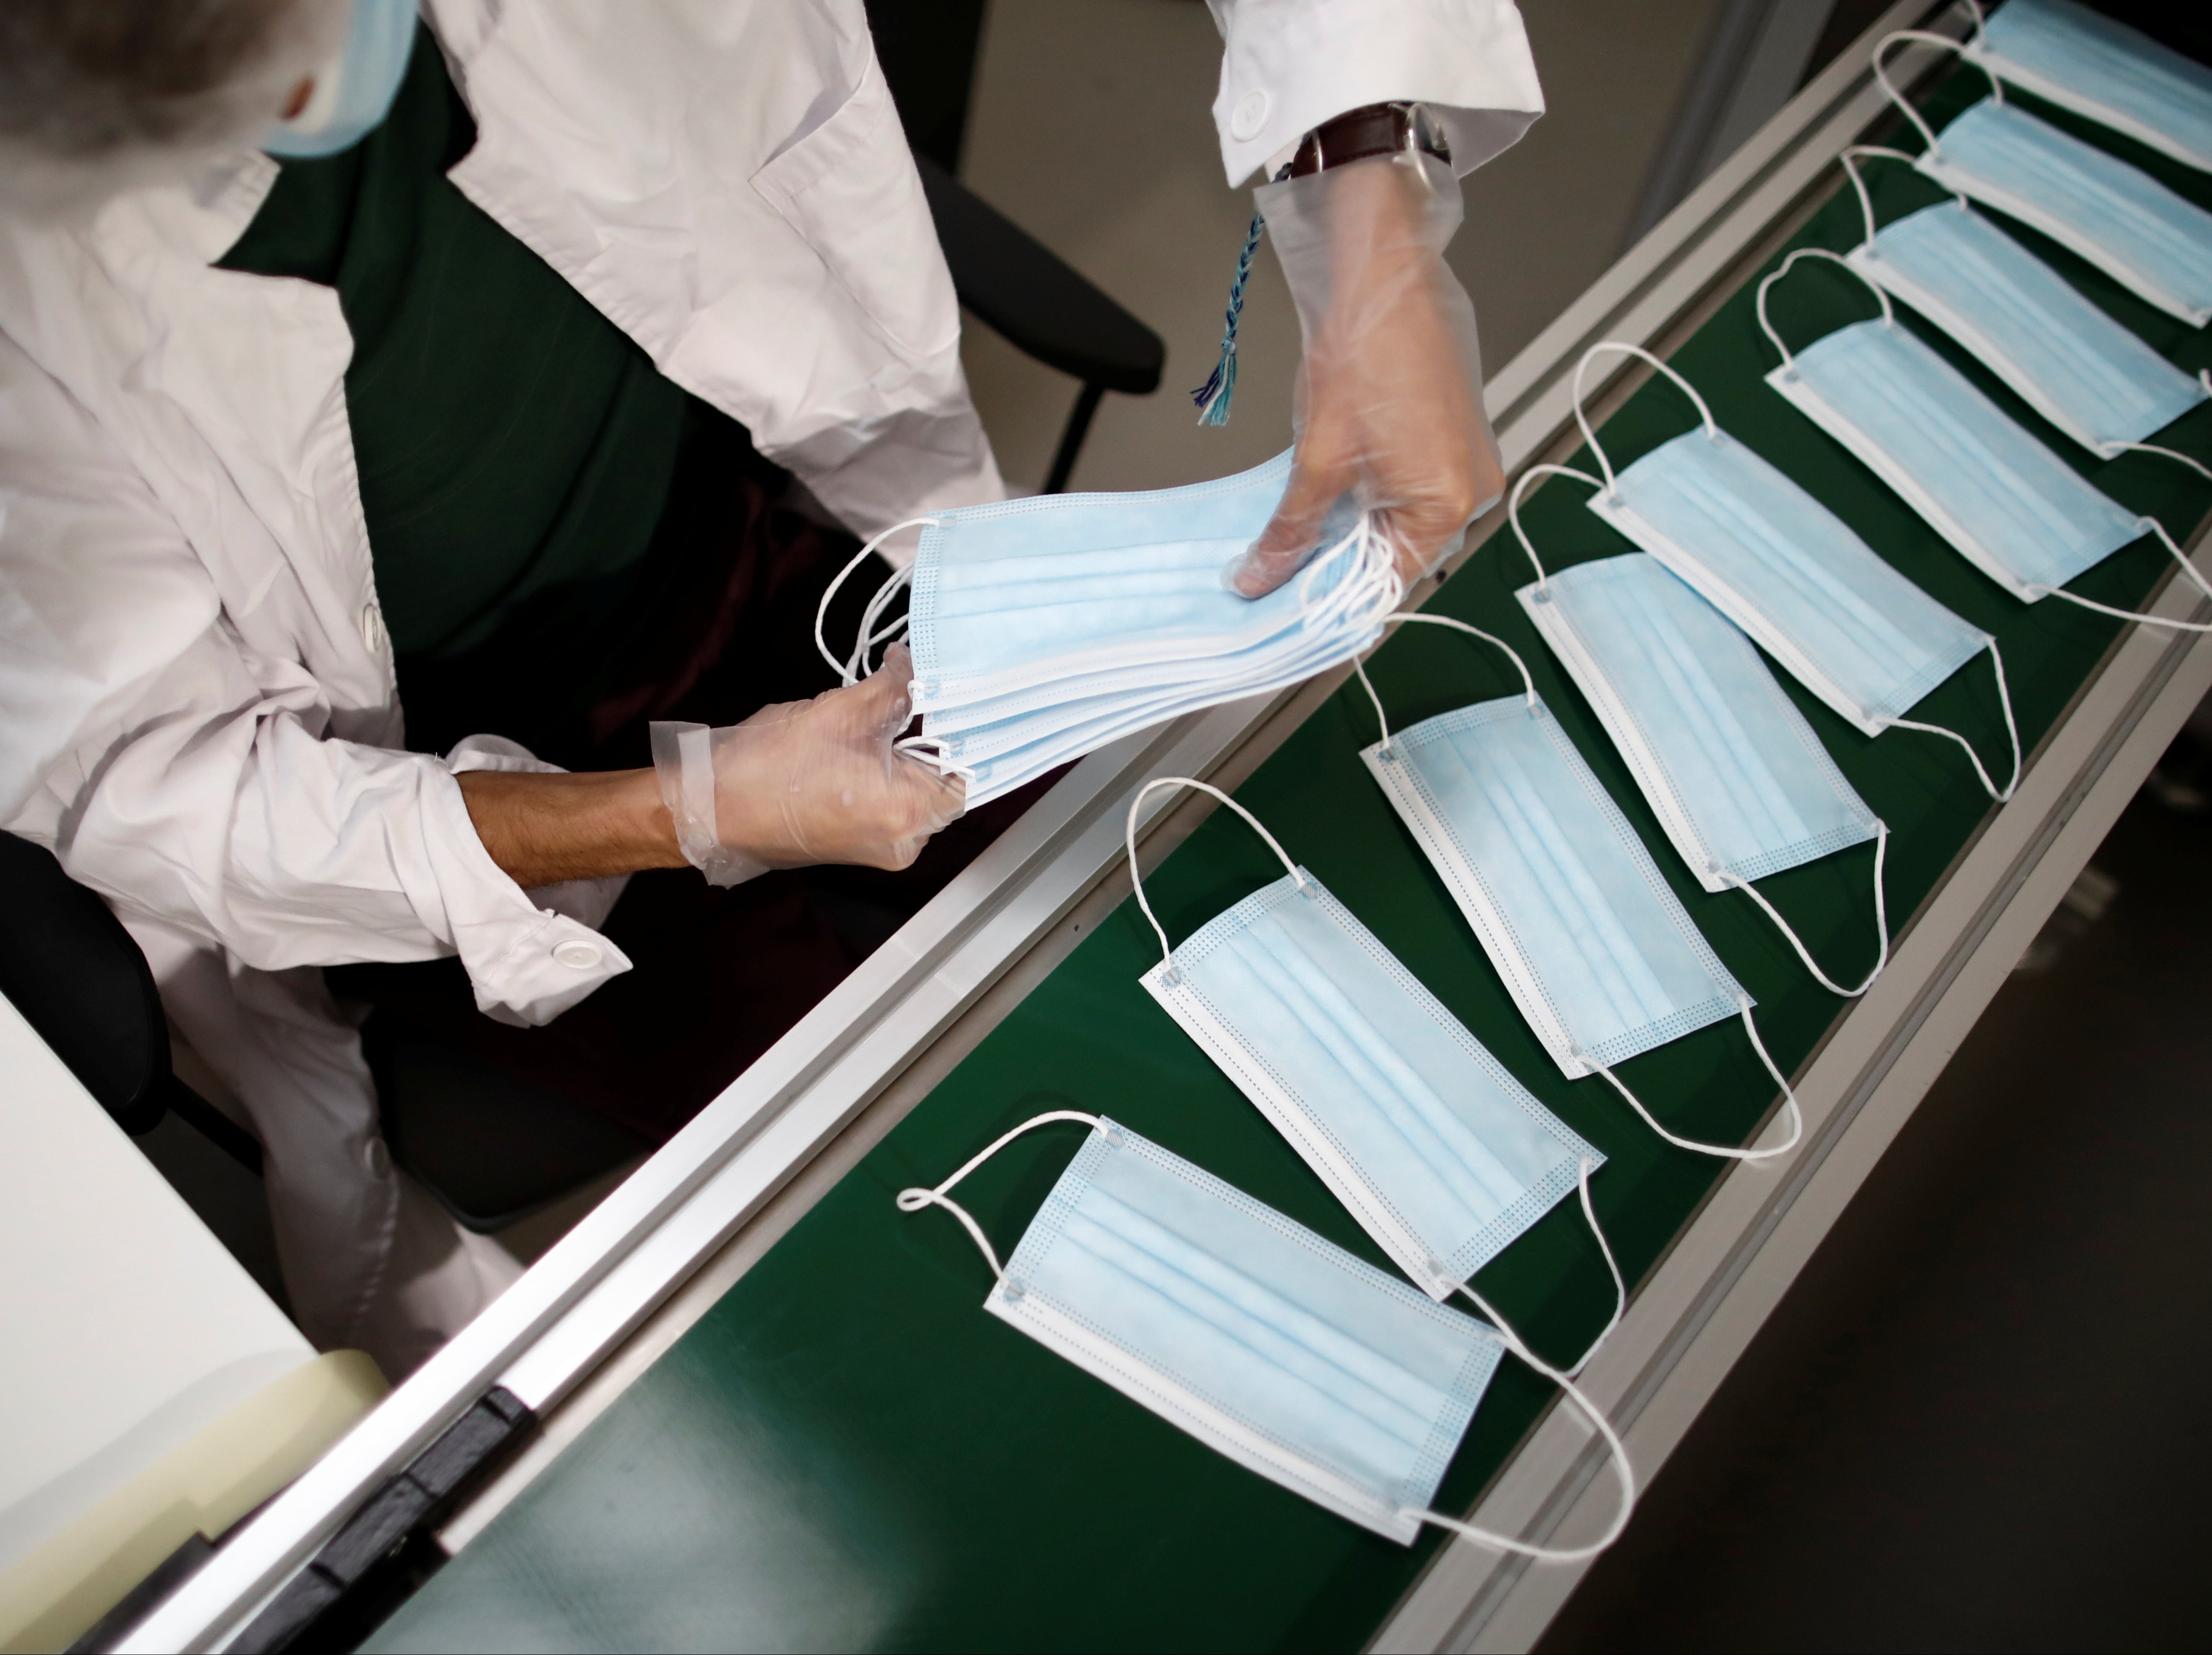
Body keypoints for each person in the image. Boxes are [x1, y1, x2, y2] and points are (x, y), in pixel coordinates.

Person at [0, 0, 1541, 1376]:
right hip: (488, 805)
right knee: (945, 1180)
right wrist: (697, 805)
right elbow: (155, 779)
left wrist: (1367, 194)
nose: (299, 101)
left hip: (759, 529)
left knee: (1190, 896)